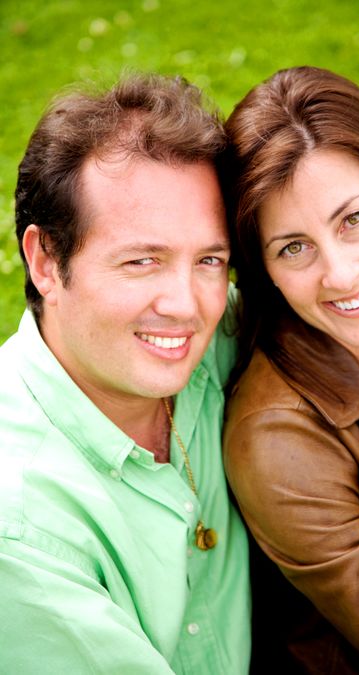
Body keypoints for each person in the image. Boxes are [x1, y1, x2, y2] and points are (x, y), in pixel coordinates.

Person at [0, 73, 250, 673]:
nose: (188, 306)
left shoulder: (224, 342)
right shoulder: (20, 529)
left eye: (210, 260)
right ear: (46, 262)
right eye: (142, 261)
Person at [222, 65, 359, 674]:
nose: (342, 274)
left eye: (354, 218)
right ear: (264, 270)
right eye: (293, 247)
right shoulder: (278, 442)